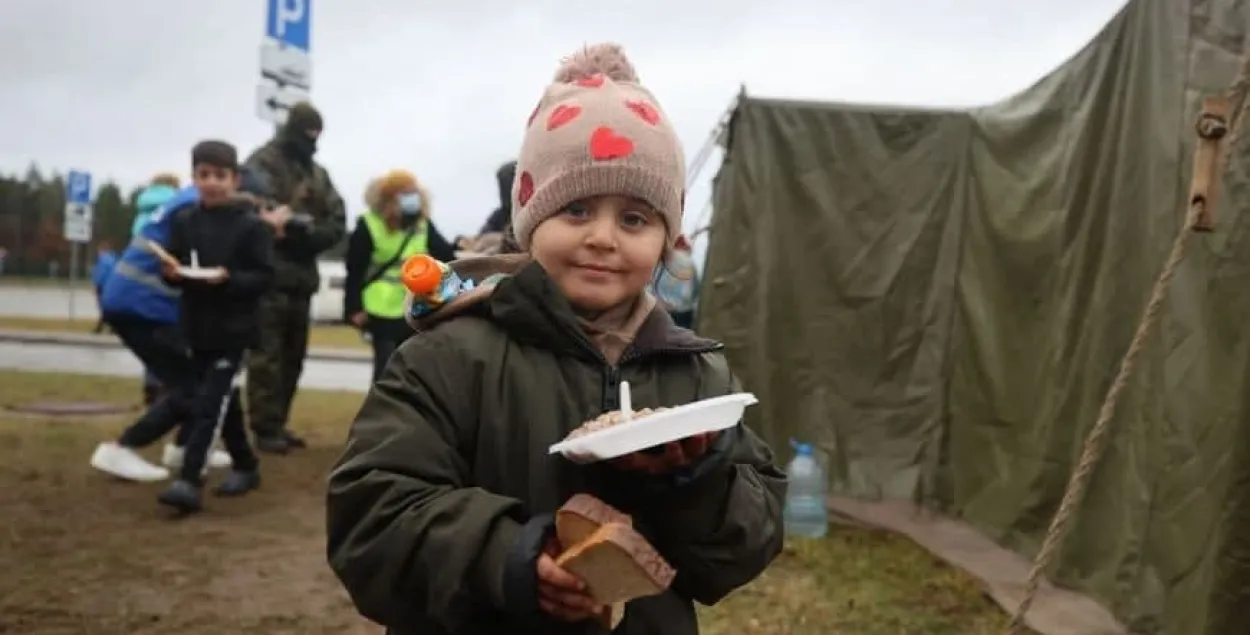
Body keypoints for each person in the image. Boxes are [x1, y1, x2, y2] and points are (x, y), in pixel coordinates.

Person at [325, 43, 786, 634]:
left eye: (635, 219)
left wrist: (694, 480)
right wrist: (514, 559)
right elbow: (371, 519)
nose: (602, 237)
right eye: (577, 209)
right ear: (530, 218)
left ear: (667, 238)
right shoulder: (449, 356)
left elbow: (744, 550)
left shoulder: (695, 376)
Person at [156, 140, 273, 513]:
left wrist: (229, 279)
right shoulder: (184, 221)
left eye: (220, 175)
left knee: (210, 403)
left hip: (235, 331)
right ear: (193, 178)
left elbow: (263, 277)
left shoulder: (252, 227)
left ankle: (190, 480)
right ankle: (246, 464)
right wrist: (173, 274)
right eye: (204, 175)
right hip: (197, 327)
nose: (212, 182)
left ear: (234, 179)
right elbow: (174, 270)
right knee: (224, 402)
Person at [89, 184, 233, 483]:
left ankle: (183, 447)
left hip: (135, 303)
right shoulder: (195, 210)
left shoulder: (183, 202)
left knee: (196, 380)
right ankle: (122, 447)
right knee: (191, 387)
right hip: (145, 308)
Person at [243, 101, 348, 454]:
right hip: (268, 276)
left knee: (293, 358)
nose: (312, 140)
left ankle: (279, 421)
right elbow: (256, 206)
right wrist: (287, 227)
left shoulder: (317, 174)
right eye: (308, 133)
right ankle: (264, 427)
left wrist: (305, 233)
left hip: (301, 278)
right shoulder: (263, 162)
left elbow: (336, 221)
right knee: (265, 358)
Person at [343, 169, 457, 382]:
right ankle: (381, 413)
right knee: (386, 369)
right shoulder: (369, 225)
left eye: (414, 193)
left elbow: (446, 256)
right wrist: (353, 307)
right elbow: (355, 270)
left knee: (412, 368)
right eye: (405, 194)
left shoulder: (422, 224)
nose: (411, 199)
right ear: (389, 198)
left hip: (413, 307)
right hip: (380, 308)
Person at [132, 176, 183, 404]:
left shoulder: (142, 214)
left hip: (140, 284)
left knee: (151, 340)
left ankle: (151, 386)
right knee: (169, 339)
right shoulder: (174, 208)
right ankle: (166, 387)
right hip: (165, 281)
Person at [649, 234, 700, 329]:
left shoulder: (659, 259)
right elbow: (696, 290)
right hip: (683, 313)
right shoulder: (689, 263)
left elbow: (649, 285)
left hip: (659, 311)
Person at [89, 242, 118, 334]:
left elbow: (101, 274)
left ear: (102, 251)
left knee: (103, 308)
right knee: (108, 307)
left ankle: (100, 328)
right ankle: (108, 328)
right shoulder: (114, 259)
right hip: (112, 286)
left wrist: (96, 285)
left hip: (103, 287)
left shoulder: (103, 260)